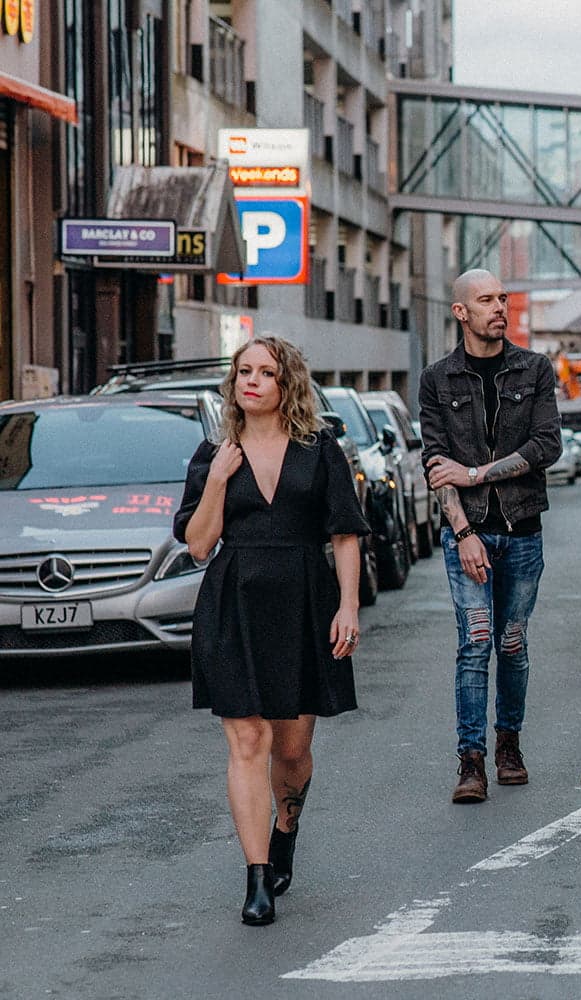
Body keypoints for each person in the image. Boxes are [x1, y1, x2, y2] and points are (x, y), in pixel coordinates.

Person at [175, 337, 369, 926]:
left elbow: (344, 534)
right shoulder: (213, 455)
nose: (251, 381)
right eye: (243, 371)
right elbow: (199, 544)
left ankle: (285, 831)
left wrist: (349, 607)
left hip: (306, 603)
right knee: (247, 743)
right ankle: (256, 877)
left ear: (287, 384)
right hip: (232, 605)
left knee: (292, 748)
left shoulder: (319, 451)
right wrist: (216, 481)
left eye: (265, 372)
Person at [420, 269, 562, 804]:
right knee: (476, 641)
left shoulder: (535, 369)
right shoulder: (438, 379)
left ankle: (510, 744)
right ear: (461, 312)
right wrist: (463, 532)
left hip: (523, 531)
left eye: (503, 298)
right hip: (469, 535)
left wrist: (476, 474)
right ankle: (471, 759)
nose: (499, 307)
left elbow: (547, 445)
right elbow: (436, 462)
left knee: (513, 642)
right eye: (486, 300)